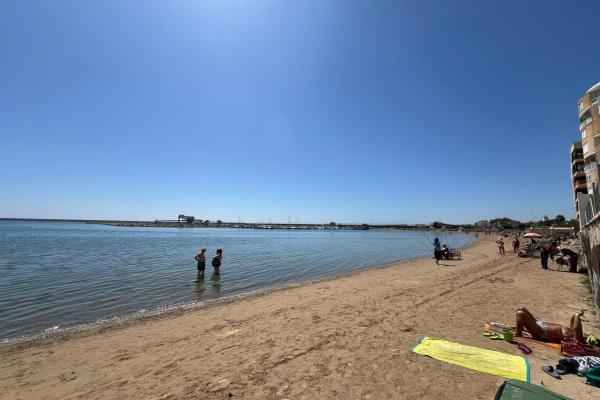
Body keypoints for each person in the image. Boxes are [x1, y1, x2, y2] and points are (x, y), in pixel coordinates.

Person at [515, 307, 584, 343]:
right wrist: (575, 314)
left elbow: (576, 328)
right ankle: (521, 329)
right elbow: (573, 323)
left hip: (542, 332)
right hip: (540, 324)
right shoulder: (572, 331)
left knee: (520, 313)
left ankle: (518, 333)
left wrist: (577, 315)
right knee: (521, 308)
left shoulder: (576, 339)